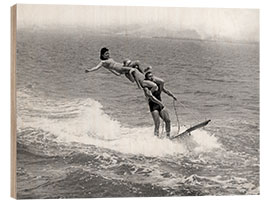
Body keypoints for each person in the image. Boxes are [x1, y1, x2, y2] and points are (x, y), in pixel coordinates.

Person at [85, 47, 153, 89]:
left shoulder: (109, 59)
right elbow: (96, 67)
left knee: (134, 75)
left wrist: (116, 74)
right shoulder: (103, 62)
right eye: (106, 54)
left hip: (123, 67)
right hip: (121, 69)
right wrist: (89, 70)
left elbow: (110, 69)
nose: (108, 55)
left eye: (108, 53)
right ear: (102, 55)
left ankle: (141, 81)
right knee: (136, 64)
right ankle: (143, 77)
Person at [143, 68, 177, 138]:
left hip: (160, 104)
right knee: (157, 123)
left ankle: (168, 136)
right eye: (149, 77)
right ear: (147, 79)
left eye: (152, 76)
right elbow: (151, 97)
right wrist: (160, 103)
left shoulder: (157, 84)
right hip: (153, 105)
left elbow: (165, 90)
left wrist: (172, 96)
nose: (151, 78)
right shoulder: (146, 87)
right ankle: (156, 138)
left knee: (168, 121)